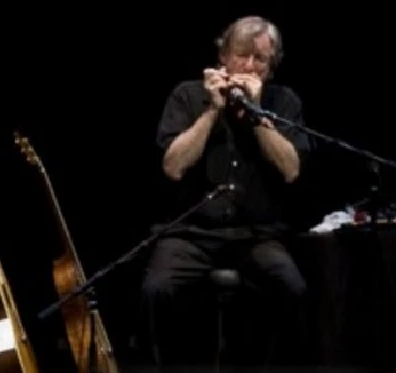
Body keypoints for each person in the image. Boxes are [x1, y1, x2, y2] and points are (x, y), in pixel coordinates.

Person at [142, 16, 311, 366]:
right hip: (192, 234)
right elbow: (173, 167)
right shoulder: (187, 95)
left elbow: (291, 169)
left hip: (257, 235)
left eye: (259, 59)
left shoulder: (284, 102)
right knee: (157, 290)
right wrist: (212, 112)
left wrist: (257, 114)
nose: (249, 66)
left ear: (272, 65)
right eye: (240, 55)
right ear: (223, 56)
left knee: (292, 288)